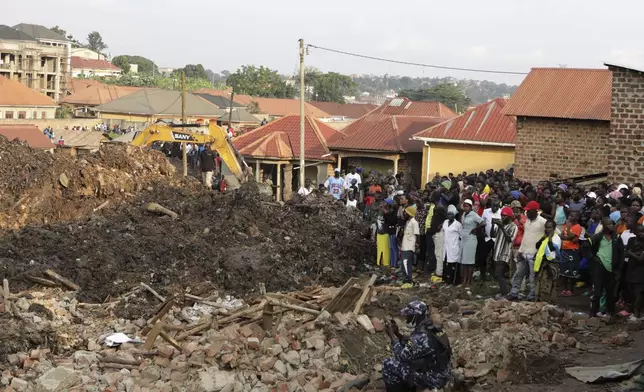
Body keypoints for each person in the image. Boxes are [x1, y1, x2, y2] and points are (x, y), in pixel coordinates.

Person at [382, 300, 452, 391]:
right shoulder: (432, 328)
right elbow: (415, 345)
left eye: (409, 316)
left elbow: (400, 356)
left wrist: (391, 335)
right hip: (442, 372)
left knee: (388, 363)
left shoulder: (420, 336)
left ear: (417, 316)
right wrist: (398, 334)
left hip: (434, 378)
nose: (406, 318)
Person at [507, 201, 546, 301]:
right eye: (526, 211)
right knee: (518, 274)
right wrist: (520, 250)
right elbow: (525, 236)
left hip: (534, 254)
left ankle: (532, 295)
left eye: (528, 211)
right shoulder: (527, 221)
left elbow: (554, 233)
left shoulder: (543, 222)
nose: (526, 212)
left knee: (533, 277)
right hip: (524, 252)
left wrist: (542, 245)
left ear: (535, 211)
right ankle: (514, 293)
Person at [588, 218, 623, 319]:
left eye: (612, 224)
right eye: (608, 224)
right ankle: (593, 313)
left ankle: (609, 313)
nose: (611, 226)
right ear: (603, 225)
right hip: (599, 267)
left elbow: (621, 254)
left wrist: (619, 269)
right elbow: (586, 246)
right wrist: (593, 258)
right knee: (597, 292)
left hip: (612, 269)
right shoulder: (598, 237)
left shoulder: (616, 238)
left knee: (610, 293)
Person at [460, 199, 485, 290]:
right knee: (464, 261)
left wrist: (475, 229)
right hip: (463, 239)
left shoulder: (474, 215)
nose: (465, 208)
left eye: (467, 206)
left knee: (469, 261)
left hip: (471, 239)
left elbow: (483, 222)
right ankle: (464, 280)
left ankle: (469, 282)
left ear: (470, 207)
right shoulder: (463, 214)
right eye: (464, 206)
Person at [534, 220, 562, 302]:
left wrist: (549, 239)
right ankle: (539, 301)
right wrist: (544, 237)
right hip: (543, 264)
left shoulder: (556, 238)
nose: (547, 229)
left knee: (548, 284)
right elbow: (537, 246)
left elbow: (553, 249)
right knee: (540, 284)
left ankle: (547, 303)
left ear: (554, 228)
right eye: (546, 227)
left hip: (551, 264)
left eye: (549, 227)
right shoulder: (545, 237)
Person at [493, 207, 518, 297]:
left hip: (505, 253)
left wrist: (502, 227)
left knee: (499, 273)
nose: (502, 217)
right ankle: (505, 291)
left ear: (510, 217)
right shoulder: (500, 225)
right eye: (501, 215)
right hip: (497, 252)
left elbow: (510, 238)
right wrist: (493, 225)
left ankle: (505, 293)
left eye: (504, 216)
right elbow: (493, 234)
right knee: (500, 274)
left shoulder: (513, 226)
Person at [425, 191, 447, 283]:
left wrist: (439, 226)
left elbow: (444, 219)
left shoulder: (440, 208)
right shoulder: (436, 207)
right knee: (436, 252)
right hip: (435, 232)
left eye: (431, 195)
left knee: (439, 253)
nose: (429, 196)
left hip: (439, 233)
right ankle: (438, 271)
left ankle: (439, 272)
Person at [559, 211, 582, 296]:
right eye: (571, 215)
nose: (572, 217)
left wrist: (568, 230)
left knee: (572, 271)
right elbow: (561, 236)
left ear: (578, 218)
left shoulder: (577, 227)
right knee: (564, 271)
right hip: (564, 250)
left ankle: (571, 290)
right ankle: (565, 289)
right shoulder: (566, 226)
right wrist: (568, 236)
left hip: (573, 251)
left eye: (575, 216)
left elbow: (573, 239)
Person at [480, 195, 502, 280]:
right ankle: (483, 275)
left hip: (496, 239)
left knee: (495, 258)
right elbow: (482, 223)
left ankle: (494, 275)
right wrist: (483, 233)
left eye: (497, 206)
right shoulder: (486, 212)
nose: (495, 208)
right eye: (493, 206)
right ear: (491, 205)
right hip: (487, 238)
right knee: (483, 257)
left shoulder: (501, 213)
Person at [625, 225, 644, 320]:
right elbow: (625, 253)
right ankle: (635, 311)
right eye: (640, 232)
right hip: (631, 269)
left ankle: (637, 313)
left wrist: (631, 253)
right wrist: (634, 254)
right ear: (635, 232)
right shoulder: (631, 240)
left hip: (640, 271)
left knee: (638, 293)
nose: (642, 234)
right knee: (632, 292)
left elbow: (641, 259)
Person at [400, 205, 420, 287]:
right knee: (403, 264)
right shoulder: (408, 222)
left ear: (410, 214)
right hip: (405, 246)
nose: (404, 213)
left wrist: (417, 245)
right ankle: (405, 279)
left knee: (406, 263)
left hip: (409, 246)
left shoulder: (414, 222)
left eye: (406, 212)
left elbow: (417, 235)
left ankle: (408, 281)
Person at [442, 205, 462, 285]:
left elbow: (461, 236)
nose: (450, 216)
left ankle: (454, 280)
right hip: (446, 247)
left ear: (454, 215)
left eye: (452, 214)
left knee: (453, 264)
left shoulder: (458, 224)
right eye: (449, 214)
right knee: (446, 264)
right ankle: (447, 279)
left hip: (454, 247)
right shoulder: (445, 222)